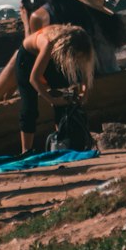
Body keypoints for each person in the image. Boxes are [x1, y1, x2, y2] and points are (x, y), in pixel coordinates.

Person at [0, 0, 124, 103]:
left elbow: (29, 50)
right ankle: (5, 97)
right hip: (93, 71)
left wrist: (26, 21)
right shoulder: (87, 14)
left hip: (73, 76)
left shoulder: (41, 14)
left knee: (19, 56)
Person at [16, 22, 95, 154]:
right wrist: (52, 100)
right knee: (29, 106)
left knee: (64, 97)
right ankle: (26, 150)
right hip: (27, 59)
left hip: (53, 55)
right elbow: (33, 79)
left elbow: (86, 72)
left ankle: (62, 139)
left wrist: (85, 93)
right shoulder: (48, 44)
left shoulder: (83, 42)